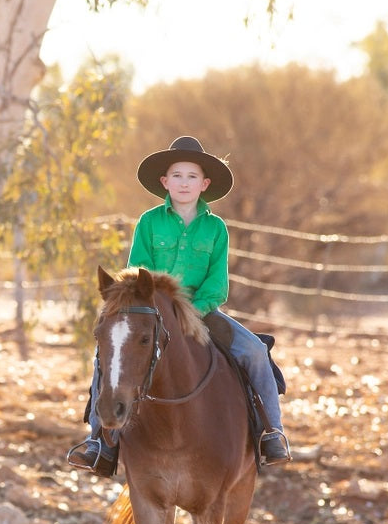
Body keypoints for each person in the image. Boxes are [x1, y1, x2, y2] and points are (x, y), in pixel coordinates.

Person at [67, 135, 291, 476]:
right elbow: (137, 276)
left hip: (201, 312)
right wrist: (157, 308)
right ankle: (99, 439)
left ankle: (270, 432)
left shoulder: (216, 228)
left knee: (255, 351)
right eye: (177, 175)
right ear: (164, 182)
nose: (183, 183)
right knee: (106, 358)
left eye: (191, 177)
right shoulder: (149, 222)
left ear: (204, 184)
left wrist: (191, 313)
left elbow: (218, 284)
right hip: (150, 313)